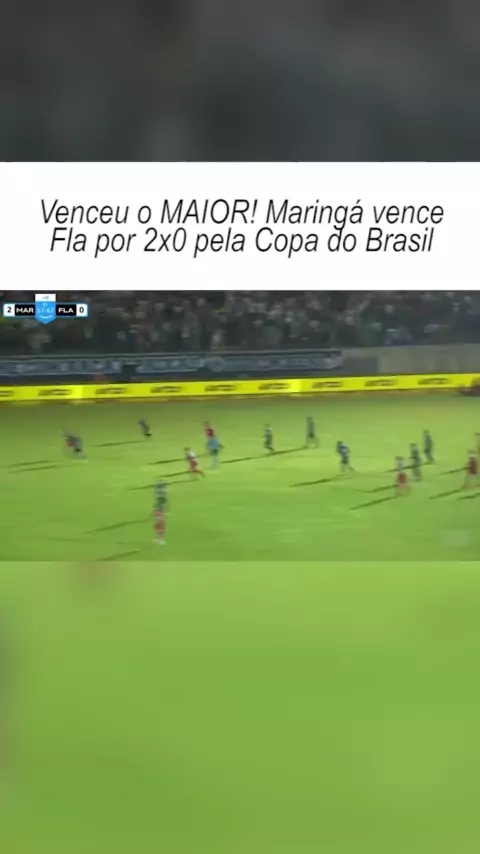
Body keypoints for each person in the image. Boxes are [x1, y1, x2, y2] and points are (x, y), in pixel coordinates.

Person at [153, 480, 167, 544]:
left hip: (159, 518)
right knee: (159, 528)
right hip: (159, 518)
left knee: (160, 528)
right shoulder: (161, 500)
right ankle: (159, 539)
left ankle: (160, 539)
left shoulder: (159, 500)